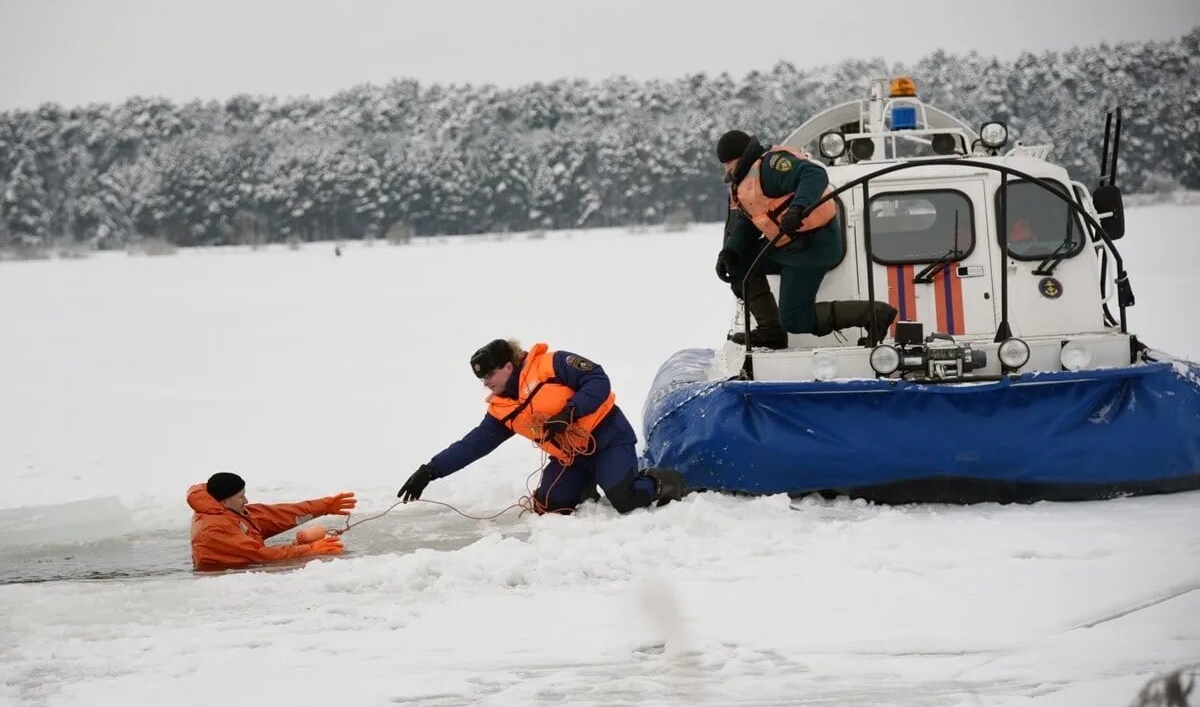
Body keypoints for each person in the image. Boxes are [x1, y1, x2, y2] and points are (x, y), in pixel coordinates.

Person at [396, 339, 685, 514]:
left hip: (609, 438)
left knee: (626, 500)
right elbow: (472, 446)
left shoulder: (551, 364)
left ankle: (663, 480)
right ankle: (585, 485)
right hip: (571, 458)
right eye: (481, 379)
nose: (486, 383)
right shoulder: (502, 410)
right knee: (551, 505)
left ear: (508, 366)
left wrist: (569, 413)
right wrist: (430, 471)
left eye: (490, 375)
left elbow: (597, 379)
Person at [715, 129, 897, 348]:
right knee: (739, 265)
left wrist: (797, 209)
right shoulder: (744, 182)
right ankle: (770, 331)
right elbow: (748, 222)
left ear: (742, 158)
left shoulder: (772, 167)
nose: (727, 170)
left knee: (794, 319)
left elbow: (814, 174)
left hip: (813, 245)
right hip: (785, 245)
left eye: (729, 163)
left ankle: (874, 313)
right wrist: (730, 251)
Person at [188, 471, 355, 571]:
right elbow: (257, 554)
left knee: (309, 540)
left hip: (248, 567)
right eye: (240, 497)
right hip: (225, 580)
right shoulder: (214, 527)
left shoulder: (230, 512)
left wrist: (324, 506)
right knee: (310, 548)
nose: (246, 501)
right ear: (224, 501)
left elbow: (277, 516)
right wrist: (309, 550)